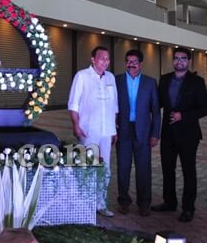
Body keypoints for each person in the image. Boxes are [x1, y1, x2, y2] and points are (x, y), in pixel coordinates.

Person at [152, 47, 207, 222]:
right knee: (167, 171)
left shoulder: (196, 82)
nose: (179, 61)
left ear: (189, 61)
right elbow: (158, 104)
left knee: (188, 172)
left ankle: (188, 208)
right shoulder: (164, 80)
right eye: (176, 58)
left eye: (183, 58)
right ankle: (169, 202)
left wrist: (183, 116)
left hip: (188, 135)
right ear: (173, 61)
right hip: (168, 134)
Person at [68, 46, 118, 217]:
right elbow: (73, 103)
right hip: (88, 130)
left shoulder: (110, 78)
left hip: (107, 130)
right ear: (93, 59)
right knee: (87, 166)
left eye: (107, 59)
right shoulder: (82, 76)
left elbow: (114, 106)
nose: (105, 61)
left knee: (105, 168)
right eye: (101, 58)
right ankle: (84, 203)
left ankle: (101, 204)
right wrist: (76, 124)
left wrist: (114, 129)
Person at [115, 49, 160, 216]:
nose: (131, 64)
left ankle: (144, 203)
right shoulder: (117, 80)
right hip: (124, 131)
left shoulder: (150, 83)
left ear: (141, 64)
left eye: (134, 61)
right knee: (123, 168)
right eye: (128, 61)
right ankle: (124, 201)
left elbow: (155, 111)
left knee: (143, 169)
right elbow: (113, 107)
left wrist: (155, 133)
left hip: (143, 132)